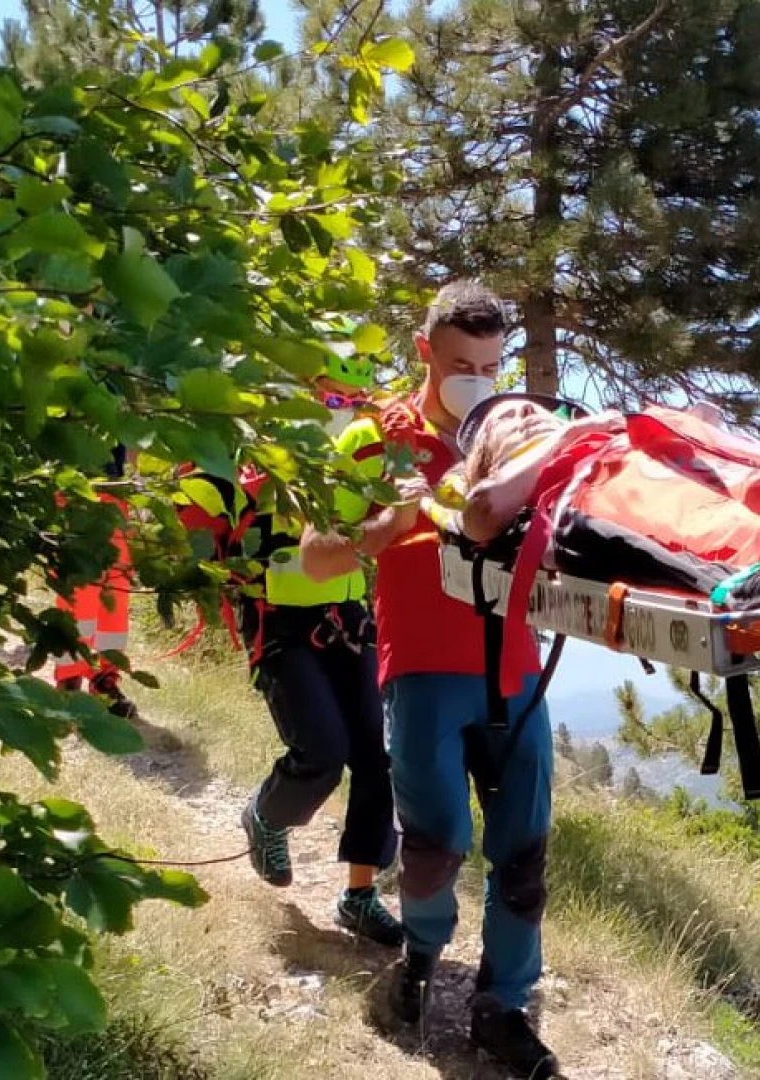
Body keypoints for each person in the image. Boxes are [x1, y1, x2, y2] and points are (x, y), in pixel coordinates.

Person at [300, 281, 558, 1078]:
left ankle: (502, 1007)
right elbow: (316, 557)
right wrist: (393, 523)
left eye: (489, 363)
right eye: (458, 363)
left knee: (523, 855)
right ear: (423, 353)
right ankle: (417, 963)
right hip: (419, 672)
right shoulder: (376, 434)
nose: (475, 379)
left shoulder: (522, 436)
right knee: (436, 841)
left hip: (516, 672)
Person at [181, 335, 405, 947]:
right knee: (321, 753)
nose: (344, 408)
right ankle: (265, 814)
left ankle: (360, 894)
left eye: (353, 397)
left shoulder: (368, 458)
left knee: (375, 760)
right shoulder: (261, 464)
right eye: (333, 394)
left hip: (349, 619)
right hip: (280, 623)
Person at [54, 443, 139, 720]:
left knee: (114, 591)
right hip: (71, 487)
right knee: (77, 593)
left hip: (112, 488)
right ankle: (68, 681)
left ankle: (105, 678)